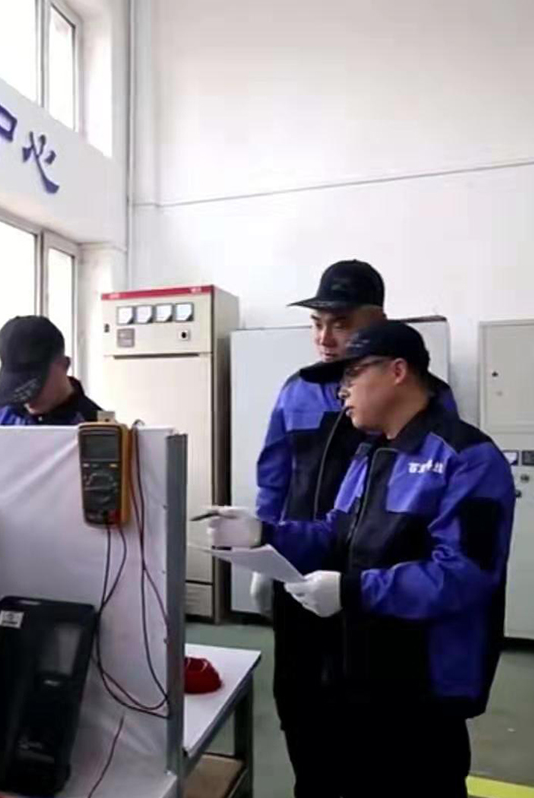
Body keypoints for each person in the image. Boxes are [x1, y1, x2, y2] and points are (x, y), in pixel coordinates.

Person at [207, 321, 515, 798]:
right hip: (357, 665)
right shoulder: (370, 453)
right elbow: (334, 532)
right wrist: (263, 532)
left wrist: (352, 591)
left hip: (422, 684)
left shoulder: (467, 458)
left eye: (352, 375)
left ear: (397, 371)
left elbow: (464, 575)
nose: (342, 392)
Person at [251, 259, 388, 798]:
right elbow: (274, 474)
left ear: (376, 320)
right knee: (298, 695)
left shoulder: (411, 390)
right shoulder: (297, 390)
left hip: (370, 578)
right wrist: (263, 555)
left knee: (365, 700)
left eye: (341, 324)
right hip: (299, 567)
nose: (325, 339)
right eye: (317, 324)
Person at [0, 315, 103, 426]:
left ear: (64, 365)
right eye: (16, 383)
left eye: (34, 382)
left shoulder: (95, 428)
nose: (27, 398)